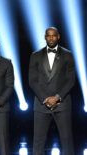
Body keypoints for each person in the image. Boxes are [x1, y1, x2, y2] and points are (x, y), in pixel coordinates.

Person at [29, 27, 75, 155]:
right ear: (44, 37)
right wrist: (46, 99)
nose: (51, 38)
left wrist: (57, 97)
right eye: (48, 35)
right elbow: (32, 81)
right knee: (38, 142)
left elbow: (70, 80)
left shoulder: (68, 54)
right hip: (41, 104)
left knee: (67, 141)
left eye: (53, 35)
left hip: (62, 103)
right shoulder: (35, 55)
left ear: (58, 36)